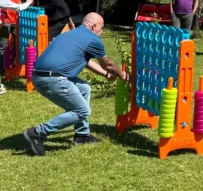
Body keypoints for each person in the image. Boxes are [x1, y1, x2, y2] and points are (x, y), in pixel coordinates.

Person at [22, 13, 128, 157]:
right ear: (93, 26)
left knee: (84, 88)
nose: (101, 32)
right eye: (101, 28)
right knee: (82, 111)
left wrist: (105, 74)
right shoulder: (92, 39)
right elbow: (108, 64)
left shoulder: (69, 34)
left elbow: (88, 62)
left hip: (39, 75)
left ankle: (82, 135)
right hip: (53, 79)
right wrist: (123, 75)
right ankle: (37, 133)